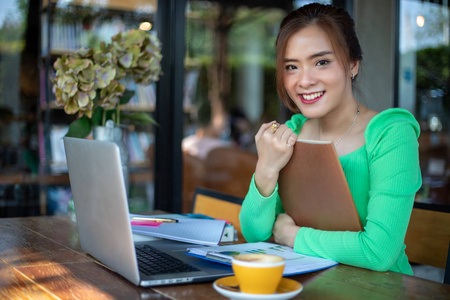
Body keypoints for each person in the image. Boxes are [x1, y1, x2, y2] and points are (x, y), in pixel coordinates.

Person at [239, 3, 422, 275]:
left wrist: (293, 236)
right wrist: (265, 168)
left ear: (352, 65)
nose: (304, 81)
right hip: (309, 284)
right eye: (291, 66)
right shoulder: (293, 131)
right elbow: (256, 233)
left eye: (321, 62)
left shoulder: (391, 133)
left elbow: (378, 252)